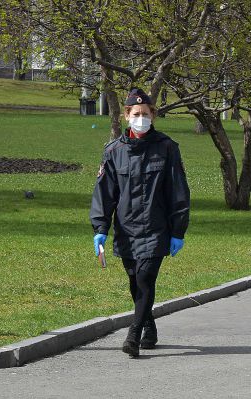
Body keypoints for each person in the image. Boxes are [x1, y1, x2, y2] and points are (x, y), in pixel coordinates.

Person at [90, 88, 190, 358]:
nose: (141, 118)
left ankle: (133, 334)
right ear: (126, 116)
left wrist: (178, 230)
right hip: (127, 229)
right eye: (136, 114)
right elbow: (105, 193)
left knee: (146, 277)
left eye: (146, 114)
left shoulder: (167, 148)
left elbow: (178, 191)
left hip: (157, 228)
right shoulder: (113, 151)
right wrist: (100, 228)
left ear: (153, 115)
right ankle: (149, 325)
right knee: (135, 281)